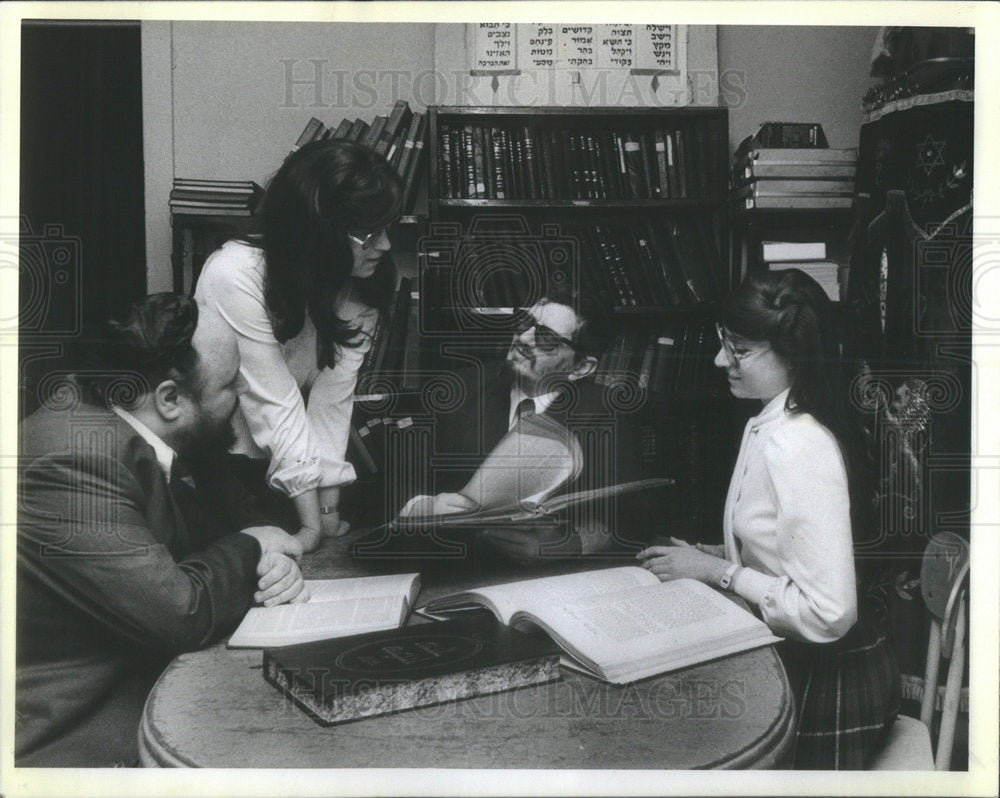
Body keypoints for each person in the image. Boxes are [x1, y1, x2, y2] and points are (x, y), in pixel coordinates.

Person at [16, 293, 308, 767]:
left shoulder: (153, 425)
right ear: (171, 399)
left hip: (169, 694)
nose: (242, 397)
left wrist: (270, 558)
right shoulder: (72, 458)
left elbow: (239, 514)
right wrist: (254, 547)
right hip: (83, 746)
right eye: (232, 385)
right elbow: (181, 613)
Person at [637, 269, 900, 769]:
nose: (721, 360)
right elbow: (790, 547)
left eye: (739, 349)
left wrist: (721, 572)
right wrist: (718, 553)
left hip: (834, 675)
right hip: (809, 660)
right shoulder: (774, 420)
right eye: (723, 342)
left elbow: (829, 612)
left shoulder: (798, 443)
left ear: (793, 357)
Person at [194, 138, 402, 552]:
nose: (386, 245)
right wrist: (310, 528)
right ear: (317, 230)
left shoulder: (361, 283)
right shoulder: (233, 273)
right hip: (224, 468)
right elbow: (275, 401)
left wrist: (326, 515)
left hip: (296, 470)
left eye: (387, 229)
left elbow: (331, 401)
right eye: (368, 233)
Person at [364, 287, 658, 562]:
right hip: (460, 563)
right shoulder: (458, 389)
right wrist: (420, 506)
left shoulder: (607, 413)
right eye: (525, 323)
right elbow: (393, 478)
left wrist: (568, 543)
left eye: (546, 338)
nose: (525, 338)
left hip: (553, 579)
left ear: (582, 367)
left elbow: (633, 515)